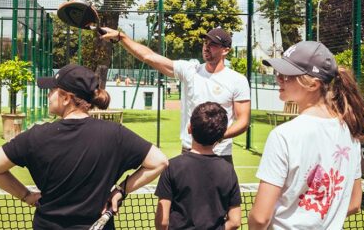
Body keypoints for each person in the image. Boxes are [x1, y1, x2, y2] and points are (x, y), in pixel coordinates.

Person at [0, 64, 168, 230]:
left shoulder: (36, 136)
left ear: (65, 98)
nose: (48, 94)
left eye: (52, 90)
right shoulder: (115, 134)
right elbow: (159, 162)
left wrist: (26, 196)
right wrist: (121, 190)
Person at [248, 41, 364, 229]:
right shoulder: (349, 132)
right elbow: (354, 203)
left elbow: (260, 217)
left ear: (313, 84)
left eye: (287, 75)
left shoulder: (283, 135)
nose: (279, 78)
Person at [101, 27, 251, 163]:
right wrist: (122, 38)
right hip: (190, 151)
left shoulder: (237, 80)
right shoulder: (190, 70)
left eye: (213, 44)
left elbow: (243, 120)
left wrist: (218, 136)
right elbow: (149, 56)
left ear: (225, 50)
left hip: (221, 154)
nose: (206, 47)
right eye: (205, 42)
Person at [155, 101, 241, 230]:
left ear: (189, 128)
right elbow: (235, 221)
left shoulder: (172, 166)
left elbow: (162, 222)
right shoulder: (228, 170)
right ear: (221, 135)